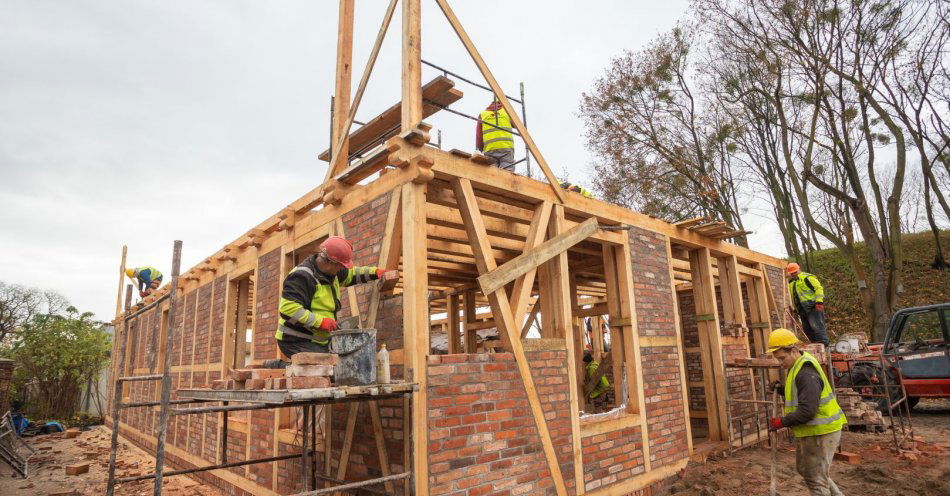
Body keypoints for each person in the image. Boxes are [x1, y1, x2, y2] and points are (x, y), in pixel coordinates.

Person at [265, 236, 398, 368]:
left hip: (317, 340)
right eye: (340, 266)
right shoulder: (302, 276)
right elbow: (288, 309)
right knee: (328, 369)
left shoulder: (333, 272)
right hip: (295, 340)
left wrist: (376, 272)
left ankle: (293, 367)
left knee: (334, 368)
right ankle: (279, 367)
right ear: (330, 262)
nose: (342, 269)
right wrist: (321, 322)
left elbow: (353, 274)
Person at [767, 328, 847, 496]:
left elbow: (807, 410)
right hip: (813, 430)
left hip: (822, 431)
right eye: (777, 359)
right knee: (806, 469)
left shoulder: (805, 372)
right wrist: (781, 389)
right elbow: (800, 394)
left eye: (782, 358)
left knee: (816, 478)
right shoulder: (797, 365)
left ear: (794, 350)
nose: (780, 363)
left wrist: (782, 422)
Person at [787, 262, 829, 347]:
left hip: (813, 306)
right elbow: (794, 297)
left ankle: (824, 346)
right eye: (792, 273)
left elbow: (818, 288)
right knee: (807, 329)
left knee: (817, 327)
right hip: (802, 309)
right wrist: (795, 310)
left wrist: (819, 301)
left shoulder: (807, 277)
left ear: (799, 269)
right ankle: (814, 346)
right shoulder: (791, 283)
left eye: (795, 272)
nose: (794, 274)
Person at [475, 98, 515, 171]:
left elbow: (479, 136)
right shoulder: (507, 111)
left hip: (490, 149)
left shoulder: (483, 114)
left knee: (492, 173)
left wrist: (479, 149)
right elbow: (516, 125)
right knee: (507, 172)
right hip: (506, 148)